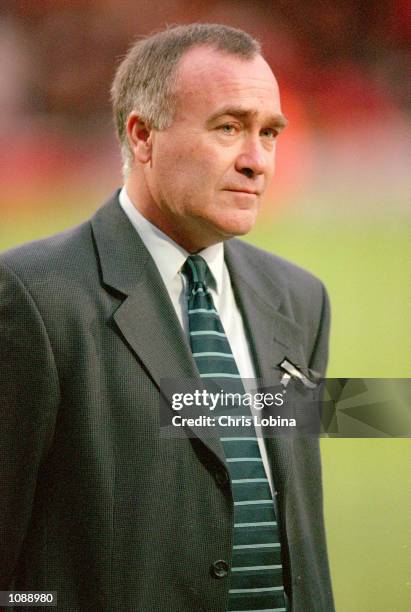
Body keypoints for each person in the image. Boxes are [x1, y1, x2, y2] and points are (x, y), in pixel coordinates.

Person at [0, 23, 334, 612]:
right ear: (143, 135)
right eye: (229, 128)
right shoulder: (32, 294)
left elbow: (294, 522)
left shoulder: (300, 300)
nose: (257, 162)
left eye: (270, 133)